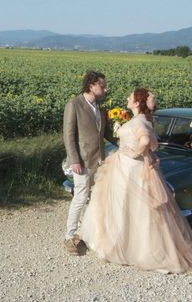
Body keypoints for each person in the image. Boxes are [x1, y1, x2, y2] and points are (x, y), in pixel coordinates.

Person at [79, 88, 192, 274]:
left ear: (137, 102)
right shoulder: (143, 119)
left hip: (129, 168)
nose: (127, 98)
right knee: (135, 209)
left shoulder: (139, 121)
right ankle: (132, 246)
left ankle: (126, 247)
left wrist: (134, 152)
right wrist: (142, 152)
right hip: (130, 167)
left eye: (131, 97)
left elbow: (144, 141)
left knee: (124, 207)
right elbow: (146, 144)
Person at [62, 71, 118, 255]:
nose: (105, 88)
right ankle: (70, 236)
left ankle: (87, 232)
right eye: (102, 85)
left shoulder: (100, 108)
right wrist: (74, 160)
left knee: (95, 199)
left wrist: (127, 139)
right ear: (91, 86)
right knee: (80, 197)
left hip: (100, 161)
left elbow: (106, 134)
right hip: (82, 161)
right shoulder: (74, 105)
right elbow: (69, 136)